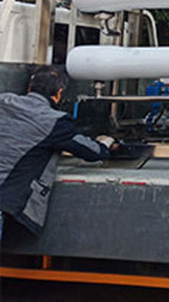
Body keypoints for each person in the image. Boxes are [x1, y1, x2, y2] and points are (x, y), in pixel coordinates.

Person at [0, 66, 115, 239]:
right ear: (59, 92)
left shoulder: (3, 100)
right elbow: (92, 152)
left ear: (30, 88)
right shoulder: (54, 122)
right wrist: (106, 143)